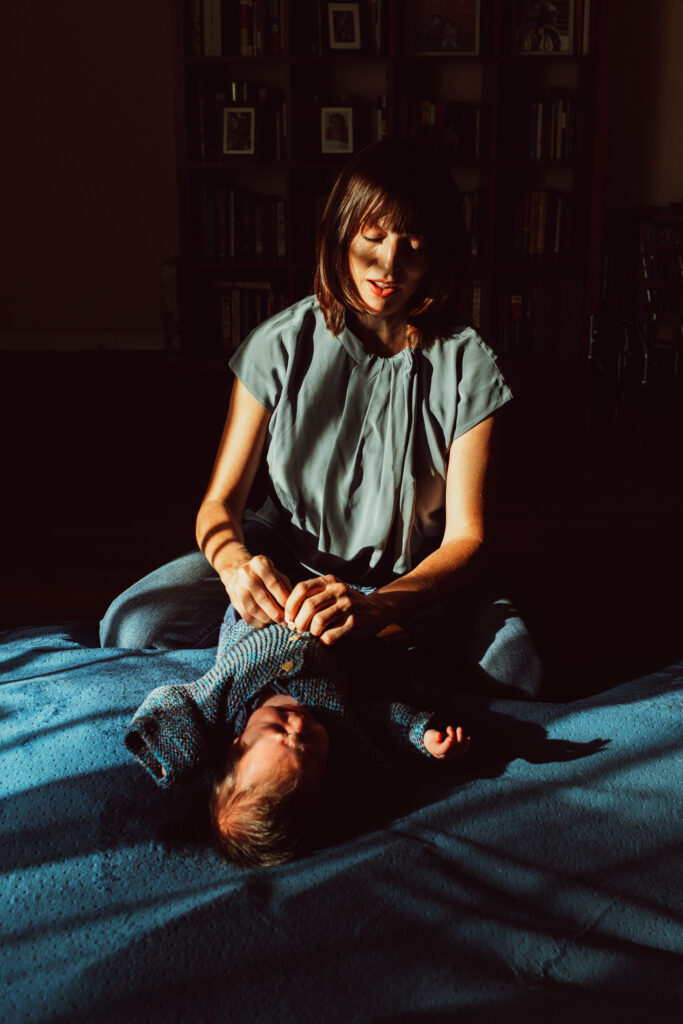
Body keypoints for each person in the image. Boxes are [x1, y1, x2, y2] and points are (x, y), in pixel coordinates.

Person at [101, 139, 542, 701]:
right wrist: (238, 568)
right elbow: (219, 505)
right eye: (373, 237)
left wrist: (377, 605)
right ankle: (355, 653)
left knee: (518, 671)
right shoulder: (279, 342)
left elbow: (468, 538)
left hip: (412, 580)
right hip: (288, 560)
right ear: (342, 235)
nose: (389, 266)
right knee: (131, 624)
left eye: (413, 244)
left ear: (439, 255)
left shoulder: (469, 362)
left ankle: (341, 647)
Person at [125, 608, 471, 867]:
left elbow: (178, 702)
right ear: (324, 775)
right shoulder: (339, 727)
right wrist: (422, 737)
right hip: (332, 619)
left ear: (237, 743)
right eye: (310, 749)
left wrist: (167, 753)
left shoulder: (220, 701)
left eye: (276, 731)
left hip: (255, 612)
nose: (299, 728)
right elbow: (382, 721)